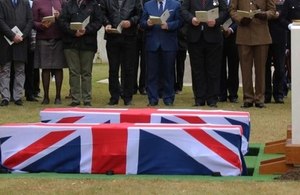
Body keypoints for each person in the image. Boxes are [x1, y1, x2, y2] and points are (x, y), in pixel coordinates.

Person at [229, 0, 276, 108]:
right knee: (245, 69)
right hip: (244, 34)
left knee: (260, 69)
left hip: (261, 35)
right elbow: (232, 10)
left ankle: (259, 98)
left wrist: (264, 15)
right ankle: (248, 98)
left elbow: (272, 10)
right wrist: (240, 19)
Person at [181, 0, 227, 107]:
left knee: (213, 70)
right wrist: (191, 19)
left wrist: (216, 21)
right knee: (197, 70)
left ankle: (212, 98)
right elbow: (183, 9)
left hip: (213, 38)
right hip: (195, 37)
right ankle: (199, 98)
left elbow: (225, 10)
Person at [59, 0, 103, 107]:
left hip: (88, 43)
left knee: (86, 72)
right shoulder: (68, 5)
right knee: (74, 72)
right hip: (71, 43)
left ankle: (87, 98)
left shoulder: (93, 5)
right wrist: (73, 31)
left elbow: (98, 22)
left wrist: (86, 30)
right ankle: (75, 98)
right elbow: (62, 21)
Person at [100, 0, 141, 106]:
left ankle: (128, 97)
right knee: (113, 69)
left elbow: (139, 14)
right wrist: (107, 23)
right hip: (112, 37)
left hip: (129, 37)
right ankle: (114, 96)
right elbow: (102, 13)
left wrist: (131, 22)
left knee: (128, 68)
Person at [140, 0, 181, 106]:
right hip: (152, 44)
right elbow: (142, 23)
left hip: (169, 44)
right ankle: (153, 98)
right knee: (152, 74)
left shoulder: (175, 5)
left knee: (168, 73)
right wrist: (147, 23)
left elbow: (180, 22)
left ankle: (168, 98)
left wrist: (169, 25)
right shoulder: (148, 5)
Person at [0, 0, 33, 106]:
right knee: (5, 70)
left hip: (21, 42)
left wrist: (22, 36)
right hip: (6, 41)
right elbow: (0, 21)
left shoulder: (25, 3)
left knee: (20, 70)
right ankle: (5, 97)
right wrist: (12, 35)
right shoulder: (2, 2)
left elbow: (30, 21)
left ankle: (17, 97)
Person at [264, 0, 287, 104]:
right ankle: (266, 94)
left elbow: (287, 17)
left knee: (280, 68)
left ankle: (279, 94)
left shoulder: (286, 2)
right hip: (265, 35)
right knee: (265, 67)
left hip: (280, 37)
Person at [219, 1, 239, 103]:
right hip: (218, 36)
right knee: (220, 67)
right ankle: (221, 94)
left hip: (234, 37)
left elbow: (240, 15)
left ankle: (233, 94)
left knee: (233, 67)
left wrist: (231, 29)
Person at [279, 0, 300, 97]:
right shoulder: (289, 1)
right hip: (294, 40)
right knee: (294, 69)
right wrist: (289, 25)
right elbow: (282, 18)